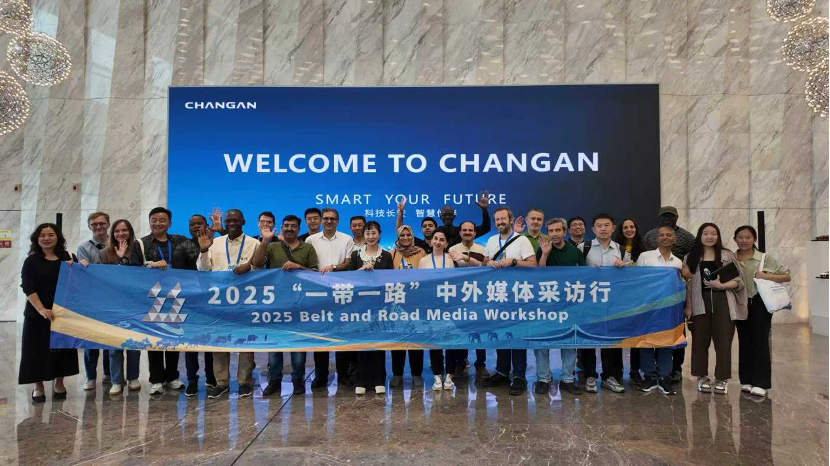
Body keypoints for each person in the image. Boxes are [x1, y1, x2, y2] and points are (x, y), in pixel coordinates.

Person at [251, 215, 319, 396]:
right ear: (281, 227)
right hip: (275, 305)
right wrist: (265, 241)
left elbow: (315, 273)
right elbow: (257, 263)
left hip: (300, 305)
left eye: (293, 226)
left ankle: (298, 380)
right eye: (286, 226)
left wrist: (298, 266)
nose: (289, 229)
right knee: (275, 348)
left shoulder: (308, 247)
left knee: (298, 347)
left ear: (299, 228)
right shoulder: (272, 246)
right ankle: (275, 380)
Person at [196, 209, 259, 399]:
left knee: (246, 344)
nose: (232, 223)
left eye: (235, 220)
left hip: (245, 302)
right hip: (219, 302)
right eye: (229, 220)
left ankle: (244, 382)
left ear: (243, 222)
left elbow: (261, 269)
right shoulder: (214, 243)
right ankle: (222, 382)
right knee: (219, 344)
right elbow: (203, 269)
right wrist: (204, 250)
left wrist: (251, 266)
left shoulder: (254, 243)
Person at [681, 223, 747, 395]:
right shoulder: (690, 257)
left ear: (718, 236)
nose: (709, 237)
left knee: (724, 341)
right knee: (699, 341)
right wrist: (688, 307)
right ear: (700, 236)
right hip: (699, 302)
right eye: (705, 233)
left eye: (713, 233)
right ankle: (701, 376)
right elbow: (686, 285)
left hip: (723, 302)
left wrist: (722, 284)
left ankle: (722, 378)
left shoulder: (727, 255)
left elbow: (738, 281)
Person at [129, 207, 188, 395]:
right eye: (154, 220)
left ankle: (172, 377)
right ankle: (156, 379)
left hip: (176, 295)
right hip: (151, 296)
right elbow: (131, 269)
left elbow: (192, 260)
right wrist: (150, 265)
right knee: (153, 338)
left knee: (173, 335)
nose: (158, 223)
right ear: (149, 222)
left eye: (162, 220)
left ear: (169, 223)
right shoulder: (140, 244)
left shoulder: (180, 241)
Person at [19, 223, 81, 403]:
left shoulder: (68, 258)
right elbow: (27, 286)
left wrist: (79, 265)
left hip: (62, 313)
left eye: (50, 234)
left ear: (58, 237)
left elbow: (79, 281)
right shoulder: (31, 260)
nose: (46, 238)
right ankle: (38, 386)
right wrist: (41, 309)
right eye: (42, 235)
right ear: (37, 239)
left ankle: (59, 383)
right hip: (37, 313)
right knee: (35, 350)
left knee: (62, 350)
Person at [481, 207, 537, 396]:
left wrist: (513, 262)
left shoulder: (522, 240)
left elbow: (532, 264)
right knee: (501, 334)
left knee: (518, 334)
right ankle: (502, 371)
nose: (499, 222)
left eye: (503, 219)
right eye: (497, 220)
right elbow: (486, 260)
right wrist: (487, 262)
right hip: (497, 296)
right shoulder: (490, 240)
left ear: (511, 220)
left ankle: (519, 375)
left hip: (518, 296)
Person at [734, 225, 790, 398]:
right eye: (740, 237)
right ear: (735, 239)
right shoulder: (730, 258)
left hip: (759, 302)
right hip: (739, 303)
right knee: (744, 341)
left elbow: (786, 275)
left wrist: (766, 275)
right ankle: (746, 380)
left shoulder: (763, 258)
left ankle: (761, 382)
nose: (744, 241)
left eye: (748, 237)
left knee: (760, 340)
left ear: (754, 240)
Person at [306, 207, 357, 389]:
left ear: (337, 221)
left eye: (332, 219)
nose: (329, 221)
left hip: (340, 294)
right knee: (321, 337)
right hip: (318, 295)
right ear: (321, 220)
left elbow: (349, 262)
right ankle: (321, 375)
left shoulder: (346, 239)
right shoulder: (310, 240)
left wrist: (334, 268)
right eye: (326, 218)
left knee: (341, 336)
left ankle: (343, 374)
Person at [643, 206, 695, 383]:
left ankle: (673, 370)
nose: (667, 220)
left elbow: (691, 264)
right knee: (648, 338)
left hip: (672, 302)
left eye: (670, 217)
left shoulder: (685, 243)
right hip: (649, 302)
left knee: (673, 337)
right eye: (664, 217)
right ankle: (650, 372)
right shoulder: (647, 246)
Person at [577, 213, 627, 394]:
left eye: (607, 225)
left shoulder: (621, 250)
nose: (603, 229)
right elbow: (573, 274)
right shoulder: (584, 247)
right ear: (593, 229)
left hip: (612, 303)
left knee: (610, 340)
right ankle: (590, 375)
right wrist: (587, 271)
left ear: (613, 228)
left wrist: (625, 267)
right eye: (599, 226)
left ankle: (608, 376)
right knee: (588, 339)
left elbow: (630, 279)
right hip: (589, 303)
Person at [535, 218, 585, 396]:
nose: (554, 234)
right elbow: (538, 275)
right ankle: (543, 378)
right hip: (546, 304)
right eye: (551, 231)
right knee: (541, 342)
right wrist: (545, 254)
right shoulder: (542, 249)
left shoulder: (575, 252)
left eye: (558, 230)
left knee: (569, 342)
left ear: (564, 232)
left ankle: (568, 379)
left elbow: (583, 276)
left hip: (569, 304)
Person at [342, 221, 393, 395]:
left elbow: (390, 281)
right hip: (360, 307)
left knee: (379, 343)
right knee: (362, 343)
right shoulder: (356, 255)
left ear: (379, 235)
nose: (371, 236)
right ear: (363, 235)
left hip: (380, 306)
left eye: (374, 233)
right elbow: (348, 280)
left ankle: (379, 379)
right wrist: (361, 270)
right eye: (368, 233)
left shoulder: (386, 256)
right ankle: (362, 379)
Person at [171, 214, 217, 397]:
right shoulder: (182, 247)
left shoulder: (218, 243)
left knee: (211, 342)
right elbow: (179, 276)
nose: (196, 226)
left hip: (214, 301)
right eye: (192, 224)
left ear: (206, 225)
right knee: (191, 344)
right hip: (191, 302)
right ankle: (191, 380)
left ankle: (211, 377)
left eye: (200, 223)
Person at [95, 219, 143, 395]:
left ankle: (133, 377)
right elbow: (104, 279)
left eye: (124, 230)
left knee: (134, 343)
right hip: (112, 305)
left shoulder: (137, 249)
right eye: (117, 231)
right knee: (114, 345)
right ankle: (116, 380)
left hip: (133, 304)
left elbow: (137, 275)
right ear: (112, 233)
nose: (121, 234)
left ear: (130, 232)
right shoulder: (103, 253)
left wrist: (124, 257)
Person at [636, 226, 684, 396]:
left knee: (666, 342)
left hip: (669, 309)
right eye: (661, 235)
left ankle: (665, 377)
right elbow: (636, 281)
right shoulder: (645, 257)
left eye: (668, 235)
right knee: (646, 341)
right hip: (647, 307)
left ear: (674, 239)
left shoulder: (678, 262)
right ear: (657, 239)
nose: (665, 237)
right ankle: (649, 376)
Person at [418, 228, 463, 391]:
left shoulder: (451, 259)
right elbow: (421, 285)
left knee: (450, 341)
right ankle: (437, 375)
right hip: (431, 307)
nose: (437, 242)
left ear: (447, 243)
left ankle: (449, 375)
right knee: (435, 341)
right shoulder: (424, 261)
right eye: (435, 238)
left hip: (449, 306)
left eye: (441, 239)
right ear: (431, 241)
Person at [447, 221, 489, 380]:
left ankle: (481, 363)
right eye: (464, 230)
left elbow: (485, 268)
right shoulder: (452, 249)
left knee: (480, 330)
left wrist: (466, 258)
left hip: (478, 295)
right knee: (461, 329)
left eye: (470, 230)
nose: (467, 232)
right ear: (459, 233)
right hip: (459, 296)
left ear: (475, 233)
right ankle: (460, 362)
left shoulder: (482, 249)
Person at [77, 211, 112, 390]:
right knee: (90, 339)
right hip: (92, 299)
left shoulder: (116, 245)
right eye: (94, 224)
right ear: (89, 227)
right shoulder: (84, 248)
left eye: (101, 223)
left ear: (108, 224)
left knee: (108, 337)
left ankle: (108, 373)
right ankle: (90, 376)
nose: (98, 227)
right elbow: (84, 273)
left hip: (112, 299)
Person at [389, 225, 427, 388]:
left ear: (412, 236)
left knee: (416, 339)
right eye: (402, 235)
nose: (405, 238)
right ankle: (397, 374)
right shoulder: (392, 254)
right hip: (396, 303)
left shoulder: (421, 253)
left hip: (416, 302)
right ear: (398, 237)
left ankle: (416, 374)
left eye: (408, 235)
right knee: (397, 340)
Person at [613, 217, 646, 385]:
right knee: (618, 334)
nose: (629, 229)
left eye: (632, 227)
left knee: (635, 334)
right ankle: (617, 370)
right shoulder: (615, 247)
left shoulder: (643, 248)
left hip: (636, 297)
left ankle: (635, 369)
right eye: (625, 227)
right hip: (618, 297)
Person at [397, 191, 491, 247]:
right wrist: (400, 213)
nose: (447, 217)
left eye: (449, 215)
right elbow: (401, 231)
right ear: (441, 217)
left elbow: (485, 228)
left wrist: (484, 211)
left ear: (454, 216)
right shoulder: (435, 234)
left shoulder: (462, 232)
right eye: (445, 215)